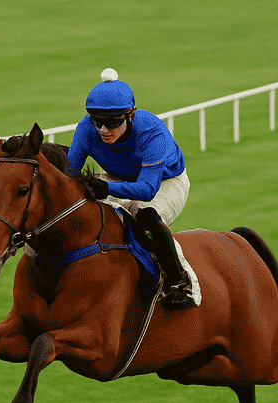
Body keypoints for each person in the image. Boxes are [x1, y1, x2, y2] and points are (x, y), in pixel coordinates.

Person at [67, 68, 195, 310]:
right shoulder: (85, 129)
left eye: (113, 122)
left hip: (165, 181)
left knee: (147, 216)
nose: (103, 130)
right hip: (115, 178)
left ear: (131, 115)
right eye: (97, 121)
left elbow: (147, 189)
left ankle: (181, 282)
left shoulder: (152, 131)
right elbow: (69, 175)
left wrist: (106, 188)